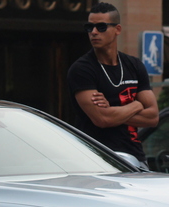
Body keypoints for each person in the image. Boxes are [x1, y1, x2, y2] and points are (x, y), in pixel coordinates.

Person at [67, 2, 158, 167]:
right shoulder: (81, 70)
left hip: (135, 158)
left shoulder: (134, 65)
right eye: (90, 27)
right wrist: (137, 104)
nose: (94, 32)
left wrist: (113, 110)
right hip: (96, 160)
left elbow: (153, 117)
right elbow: (102, 119)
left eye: (101, 27)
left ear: (117, 30)